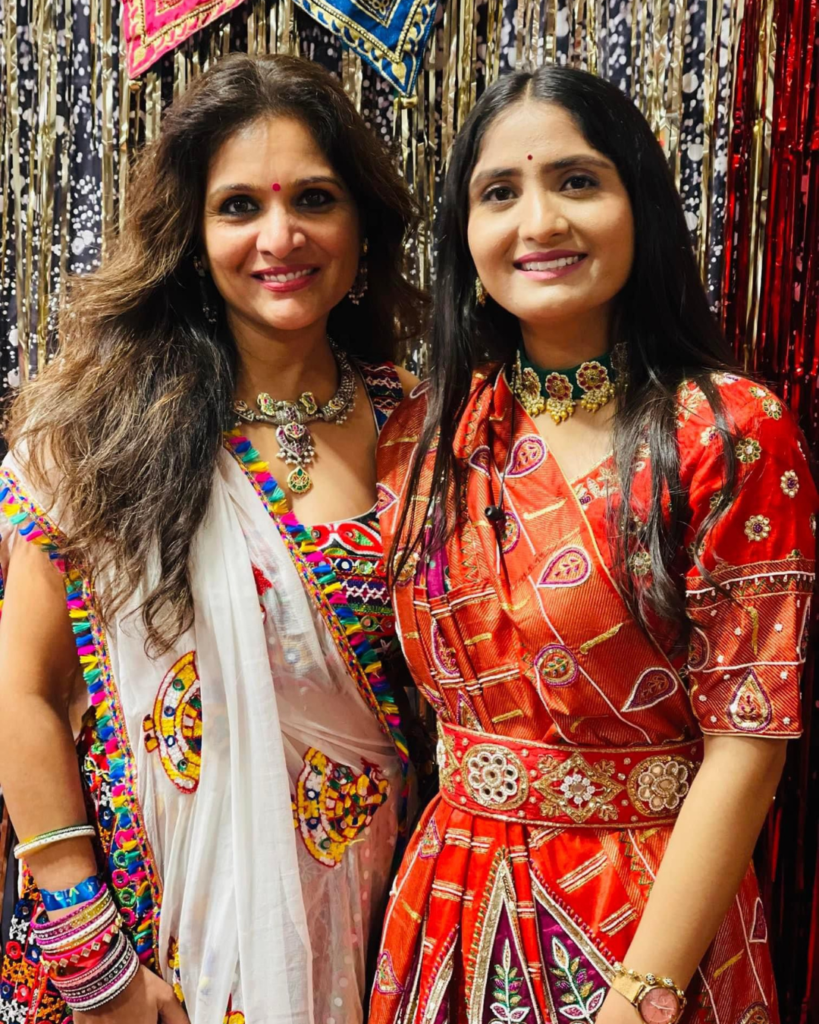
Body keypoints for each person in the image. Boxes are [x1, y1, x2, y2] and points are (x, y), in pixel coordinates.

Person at [370, 65, 817, 1024]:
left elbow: (748, 743)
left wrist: (642, 996)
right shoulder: (420, 438)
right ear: (464, 236)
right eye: (500, 193)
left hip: (651, 916)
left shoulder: (728, 433)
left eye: (576, 181)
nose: (538, 222)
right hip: (448, 906)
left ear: (638, 206)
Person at [0, 52, 425, 1024]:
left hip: (375, 931)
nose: (280, 236)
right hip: (149, 950)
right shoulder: (98, 435)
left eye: (313, 198)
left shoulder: (417, 425)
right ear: (191, 236)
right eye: (238, 206)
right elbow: (23, 691)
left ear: (361, 225)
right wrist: (92, 958)